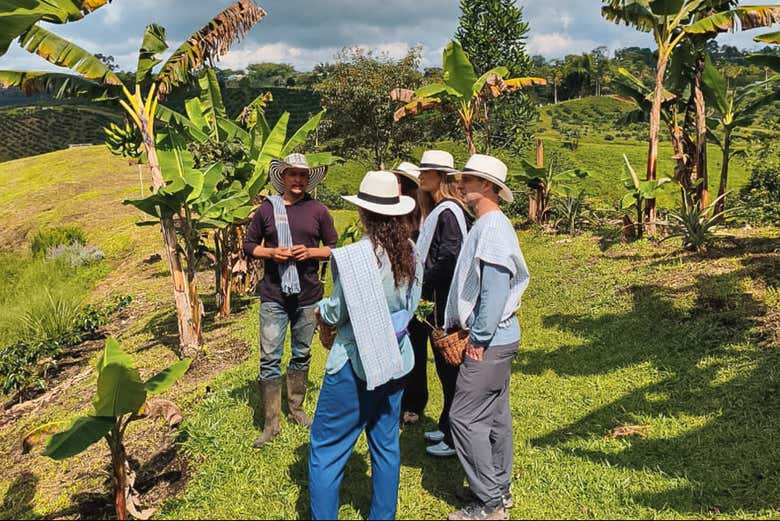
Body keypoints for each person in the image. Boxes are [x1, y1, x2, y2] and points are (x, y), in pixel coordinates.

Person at [308, 170, 422, 520]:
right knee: (386, 443)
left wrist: (321, 309)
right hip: (397, 358)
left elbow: (338, 310)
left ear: (362, 211)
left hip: (356, 363)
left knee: (326, 448)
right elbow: (412, 303)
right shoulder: (410, 250)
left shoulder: (357, 255)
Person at [444, 155, 531, 521]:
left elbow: (494, 291)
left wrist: (478, 339)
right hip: (500, 338)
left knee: (464, 418)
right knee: (494, 417)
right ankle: (499, 489)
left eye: (468, 180)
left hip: (490, 340)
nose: (461, 185)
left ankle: (490, 504)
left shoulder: (492, 228)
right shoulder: (490, 224)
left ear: (488, 186)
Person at [243, 153, 338, 449]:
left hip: (307, 296)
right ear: (283, 177)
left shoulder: (318, 210)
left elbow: (333, 247)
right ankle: (271, 422)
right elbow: (249, 245)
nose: (298, 179)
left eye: (302, 175)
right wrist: (272, 253)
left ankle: (297, 409)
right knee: (269, 357)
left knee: (301, 353)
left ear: (308, 179)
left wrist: (310, 252)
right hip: (274, 295)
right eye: (292, 174)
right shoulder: (267, 210)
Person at [412, 150, 472, 456]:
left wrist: (421, 281)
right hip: (437, 298)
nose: (421, 176)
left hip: (443, 302)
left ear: (441, 176)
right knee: (444, 370)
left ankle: (454, 435)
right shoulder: (441, 210)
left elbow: (449, 258)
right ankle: (447, 424)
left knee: (450, 371)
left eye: (427, 172)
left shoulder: (448, 212)